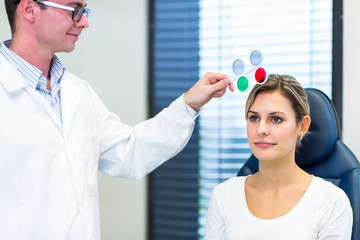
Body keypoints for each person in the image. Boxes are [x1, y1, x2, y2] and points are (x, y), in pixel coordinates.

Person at [0, 0, 234, 239]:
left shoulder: (78, 93)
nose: (84, 22)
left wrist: (189, 104)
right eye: (75, 10)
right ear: (29, 9)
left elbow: (129, 152)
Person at [203, 74, 353, 239]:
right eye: (254, 118)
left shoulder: (331, 202)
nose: (261, 129)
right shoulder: (224, 195)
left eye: (276, 119)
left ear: (302, 126)